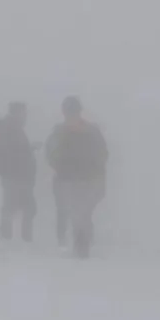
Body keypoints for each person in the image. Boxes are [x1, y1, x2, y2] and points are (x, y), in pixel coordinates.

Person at [46, 96, 109, 258]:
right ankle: (80, 245)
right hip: (73, 179)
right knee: (79, 212)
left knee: (81, 212)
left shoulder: (82, 131)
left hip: (81, 179)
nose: (71, 116)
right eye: (70, 112)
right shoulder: (83, 131)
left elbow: (102, 154)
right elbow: (103, 154)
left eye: (72, 112)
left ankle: (81, 245)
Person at [0, 101, 38, 241]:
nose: (26, 116)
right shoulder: (12, 129)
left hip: (13, 175)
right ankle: (20, 239)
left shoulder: (12, 128)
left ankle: (8, 238)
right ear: (17, 113)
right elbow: (15, 152)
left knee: (13, 207)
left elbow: (15, 151)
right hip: (16, 175)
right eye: (23, 113)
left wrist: (29, 149)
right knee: (26, 208)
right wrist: (29, 150)